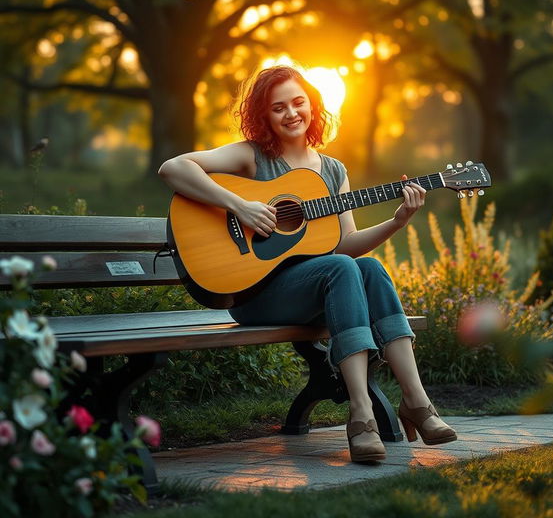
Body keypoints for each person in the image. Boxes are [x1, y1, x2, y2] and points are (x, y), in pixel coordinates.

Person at [158, 65, 456, 462]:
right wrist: (240, 206)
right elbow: (173, 168)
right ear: (263, 115)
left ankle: (417, 402)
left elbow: (346, 244)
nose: (291, 113)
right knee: (343, 269)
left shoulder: (333, 171)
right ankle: (361, 412)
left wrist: (397, 221)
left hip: (310, 290)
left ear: (314, 107)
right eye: (278, 107)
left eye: (299, 103)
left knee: (368, 268)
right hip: (255, 295)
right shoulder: (252, 157)